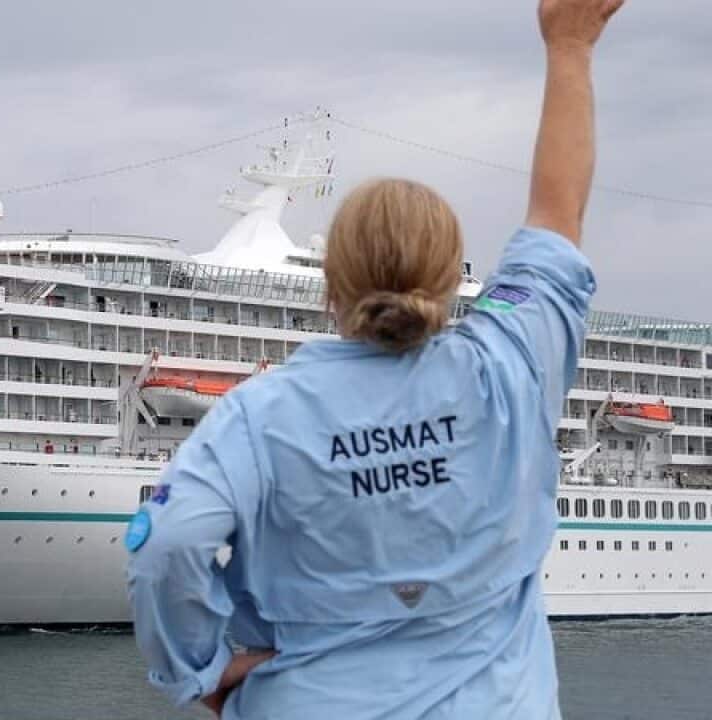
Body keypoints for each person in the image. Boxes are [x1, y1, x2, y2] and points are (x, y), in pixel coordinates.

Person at [126, 1, 624, 717]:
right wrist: (570, 45)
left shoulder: (258, 416)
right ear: (455, 279)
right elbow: (557, 212)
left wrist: (198, 674)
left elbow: (167, 542)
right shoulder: (510, 363)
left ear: (330, 282)